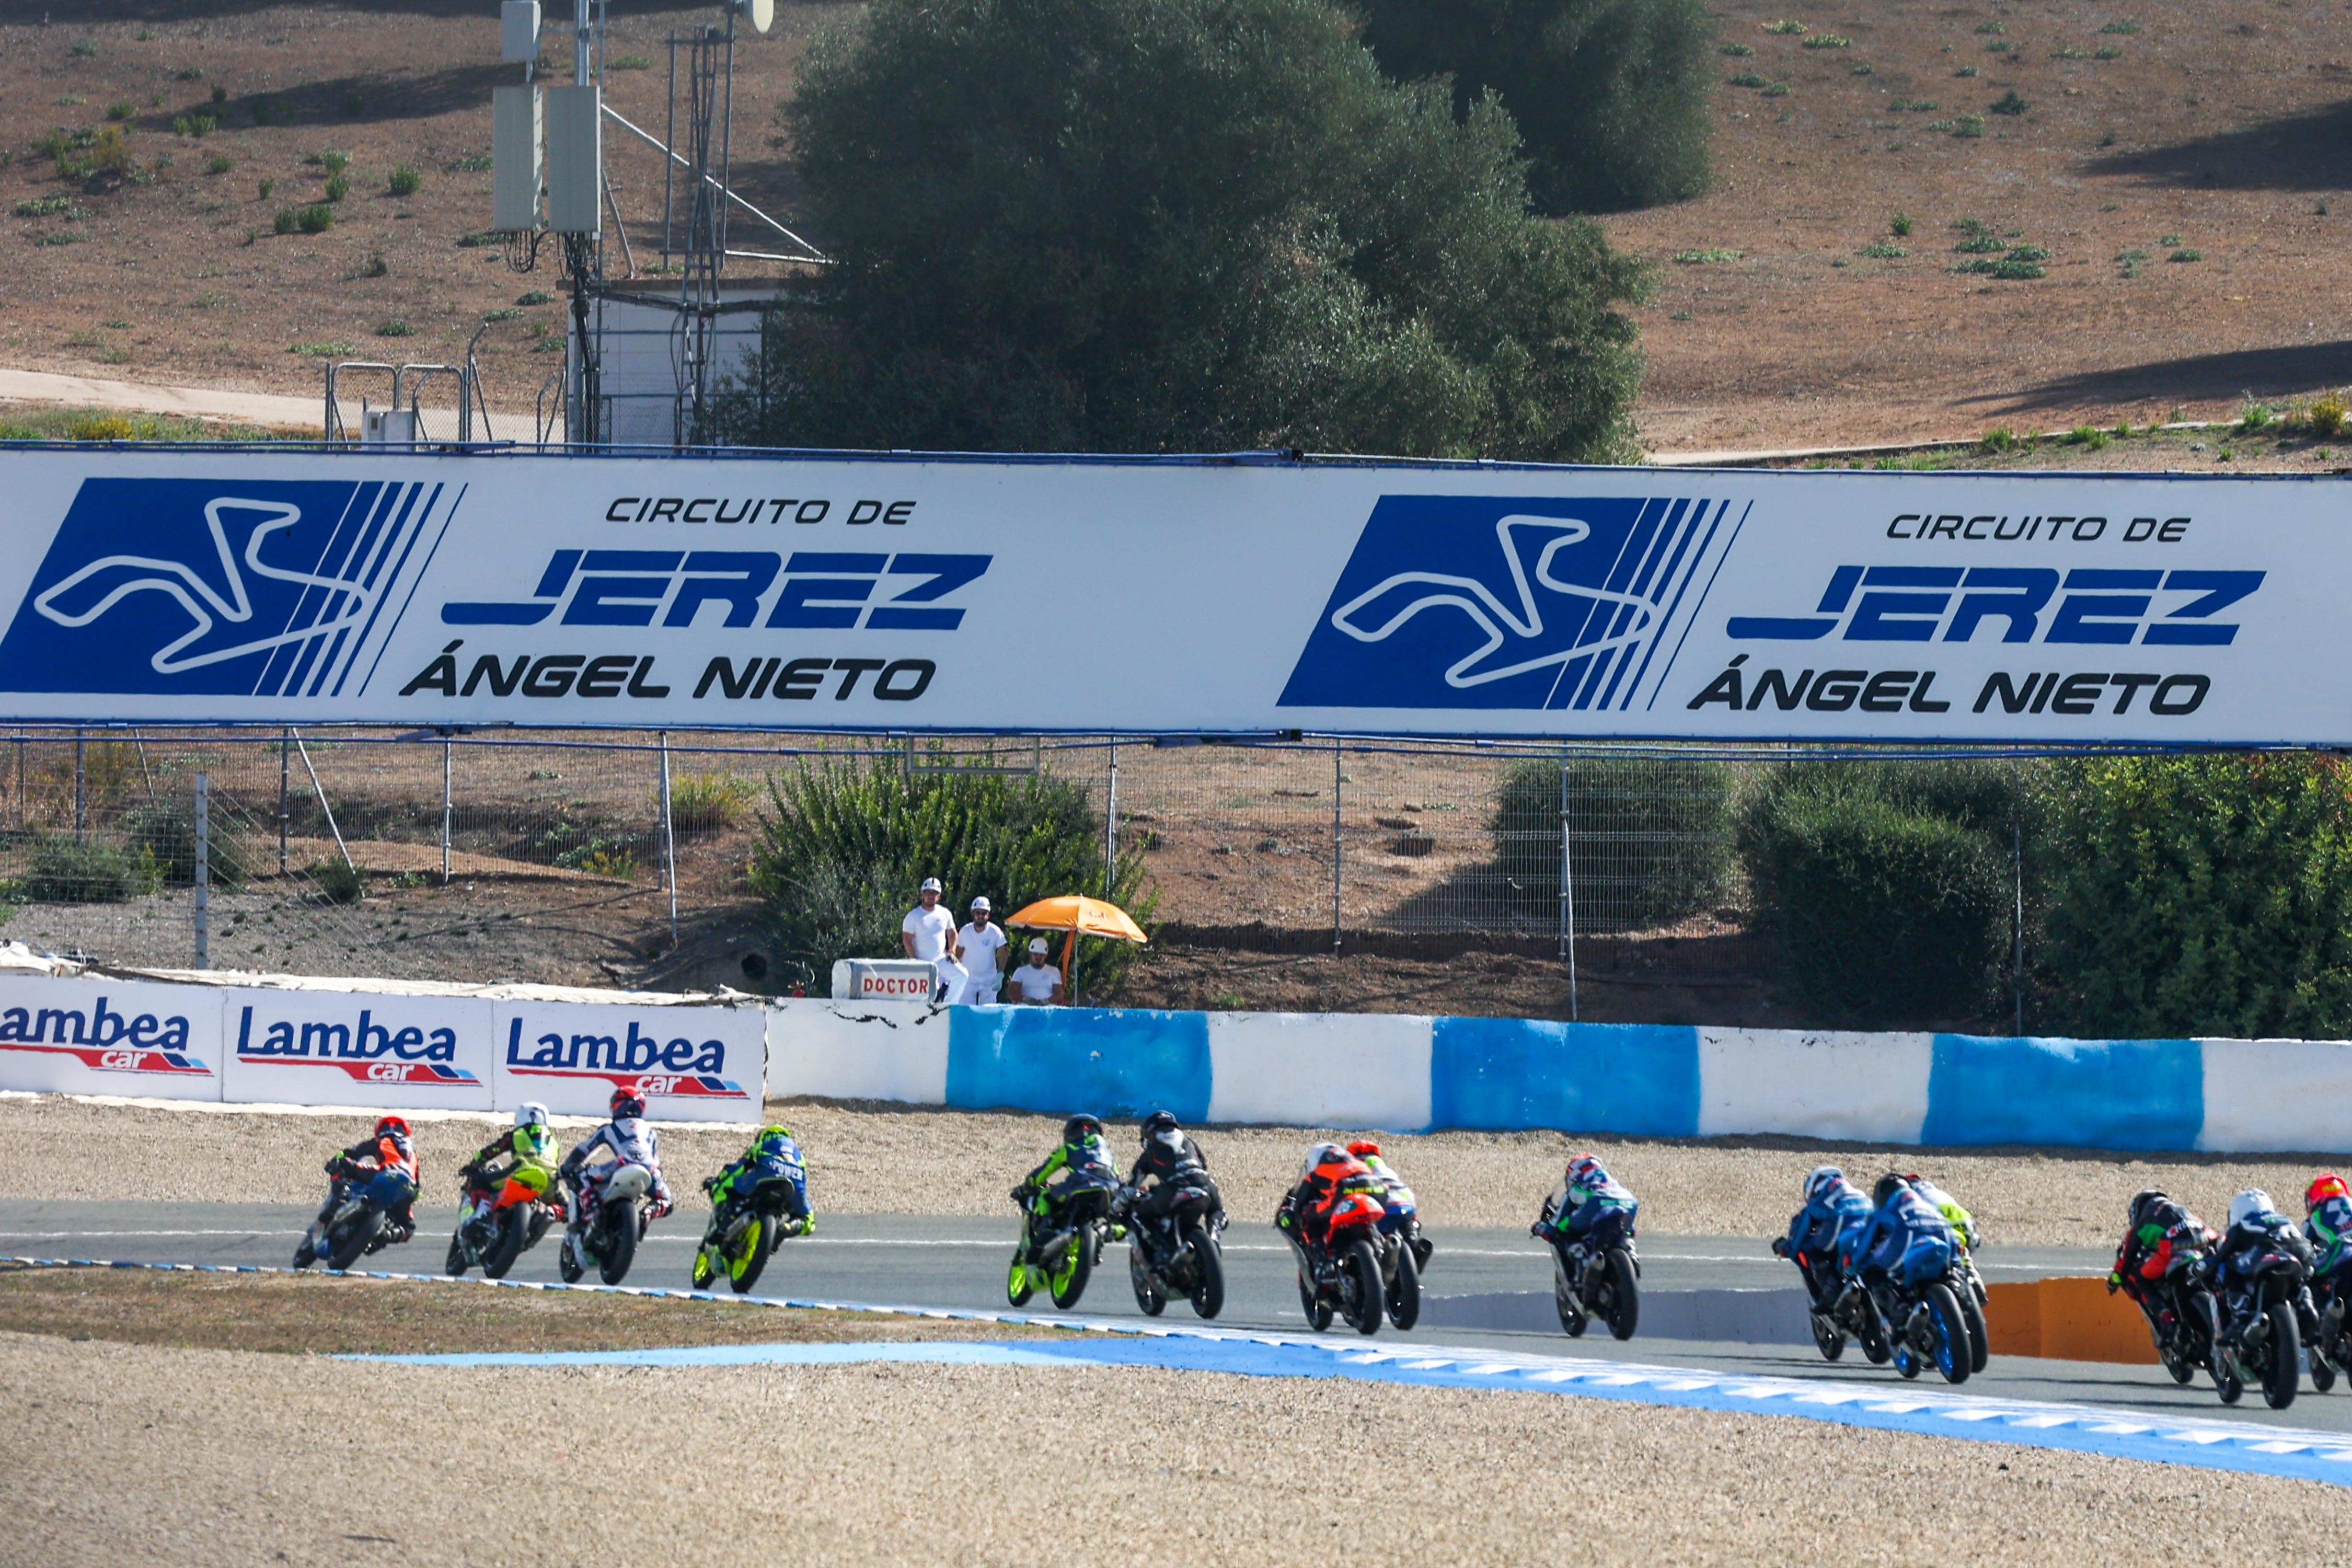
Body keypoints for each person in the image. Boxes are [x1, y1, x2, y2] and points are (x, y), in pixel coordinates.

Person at [297, 1114, 419, 1265]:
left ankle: (333, 1208)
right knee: (409, 1227)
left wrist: (338, 1160)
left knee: (343, 1167)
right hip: (407, 1188)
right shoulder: (413, 1153)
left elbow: (355, 1152)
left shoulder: (383, 1141)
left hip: (385, 1174)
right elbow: (417, 1188)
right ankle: (385, 1235)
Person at [2107, 1189, 2220, 1346]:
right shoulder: (2181, 1210)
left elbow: (2126, 1258)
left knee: (2140, 1278)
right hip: (2202, 1242)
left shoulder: (2142, 1222)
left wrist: (2113, 1281)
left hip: (2172, 1249)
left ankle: (2166, 1318)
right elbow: (2210, 1232)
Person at [559, 1087, 674, 1240]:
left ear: (617, 1106)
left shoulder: (609, 1129)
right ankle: (648, 1213)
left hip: (621, 1165)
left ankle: (591, 1213)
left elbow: (584, 1149)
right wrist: (657, 1174)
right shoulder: (651, 1132)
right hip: (650, 1170)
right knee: (667, 1202)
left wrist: (567, 1167)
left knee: (583, 1177)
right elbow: (656, 1163)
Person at [456, 1101, 561, 1253]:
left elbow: (493, 1150)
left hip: (522, 1169)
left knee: (479, 1179)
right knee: (565, 1208)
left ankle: (484, 1213)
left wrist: (474, 1164)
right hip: (549, 1178)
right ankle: (547, 1218)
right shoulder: (554, 1142)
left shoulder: (517, 1134)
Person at [2211, 1187, 2313, 1343]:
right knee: (2304, 1276)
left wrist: (2207, 1264)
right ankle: (2304, 1298)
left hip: (2270, 1252)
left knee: (2226, 1265)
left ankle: (2240, 1309)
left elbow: (2222, 1255)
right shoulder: (2285, 1219)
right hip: (2302, 1251)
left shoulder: (2243, 1225)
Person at [1846, 1174, 1955, 1319]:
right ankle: (1960, 1289)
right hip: (1945, 1232)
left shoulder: (1882, 1211)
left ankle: (1897, 1308)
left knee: (1867, 1269)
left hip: (1907, 1234)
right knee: (1953, 1270)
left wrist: (1852, 1269)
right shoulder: (1927, 1203)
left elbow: (1863, 1246)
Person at [1012, 1113, 1121, 1258]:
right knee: (1119, 1217)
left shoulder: (1070, 1148)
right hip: (1110, 1188)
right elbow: (1117, 1178)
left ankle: (1044, 1236)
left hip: (1080, 1183)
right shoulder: (1109, 1155)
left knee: (1045, 1197)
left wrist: (1028, 1187)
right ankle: (1109, 1230)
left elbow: (1042, 1173)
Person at [1773, 1165, 1872, 1309]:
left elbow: (1798, 1237)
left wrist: (1787, 1248)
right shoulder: (1858, 1192)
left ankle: (1831, 1291)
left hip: (1840, 1219)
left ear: (1814, 1188)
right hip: (1870, 1221)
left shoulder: (1819, 1200)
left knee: (1810, 1248)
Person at [1125, 1110, 1223, 1249]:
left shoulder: (1151, 1151)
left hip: (1175, 1190)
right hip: (1207, 1186)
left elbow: (1132, 1185)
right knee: (1217, 1213)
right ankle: (1214, 1243)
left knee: (1138, 1214)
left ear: (1150, 1134)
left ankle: (1162, 1248)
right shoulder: (1191, 1144)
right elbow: (1204, 1166)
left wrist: (1119, 1203)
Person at [701, 1124, 814, 1240]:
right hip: (793, 1182)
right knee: (808, 1219)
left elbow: (738, 1168)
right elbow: (803, 1180)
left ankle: (723, 1227)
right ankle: (787, 1228)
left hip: (766, 1173)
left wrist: (717, 1182)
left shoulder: (763, 1145)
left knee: (728, 1190)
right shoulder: (800, 1156)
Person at [1276, 1142, 1380, 1261]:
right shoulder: (1357, 1164)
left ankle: (1320, 1257)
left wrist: (1290, 1212)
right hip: (1377, 1189)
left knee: (1306, 1212)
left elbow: (1300, 1200)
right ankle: (1379, 1245)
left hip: (1344, 1193)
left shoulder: (1320, 1170)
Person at [1347, 1138, 1433, 1270]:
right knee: (1410, 1221)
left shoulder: (1353, 1166)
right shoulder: (1385, 1167)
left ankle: (1373, 1254)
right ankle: (1413, 1238)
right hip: (1402, 1194)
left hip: (1377, 1194)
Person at [1532, 1153, 1640, 1253]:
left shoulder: (1579, 1186)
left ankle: (1580, 1254)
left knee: (1563, 1225)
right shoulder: (1611, 1180)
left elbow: (1555, 1223)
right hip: (1630, 1203)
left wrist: (1541, 1227)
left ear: (1574, 1172)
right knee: (1629, 1231)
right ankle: (1632, 1254)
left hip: (1597, 1202)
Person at [901, 876, 964, 1003]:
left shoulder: (945, 913)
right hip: (923, 962)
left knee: (962, 975)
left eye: (934, 893)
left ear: (939, 896)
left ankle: (949, 1006)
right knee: (928, 995)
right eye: (928, 893)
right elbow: (907, 940)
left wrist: (952, 951)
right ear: (923, 895)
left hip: (941, 959)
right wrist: (915, 960)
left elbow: (953, 934)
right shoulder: (913, 916)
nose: (931, 896)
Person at [2305, 1174, 2352, 1341]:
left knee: (2307, 1272)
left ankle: (2319, 1323)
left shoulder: (2314, 1218)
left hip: (2344, 1253)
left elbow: (2303, 1249)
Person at [956, 896, 1009, 1006]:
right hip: (969, 979)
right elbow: (958, 954)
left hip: (989, 979)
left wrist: (1000, 974)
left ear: (988, 915)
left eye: (984, 913)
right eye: (978, 913)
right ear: (973, 914)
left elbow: (1003, 954)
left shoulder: (995, 931)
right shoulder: (965, 931)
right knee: (966, 1009)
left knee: (988, 1012)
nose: (981, 916)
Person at [1008, 937, 1066, 1006]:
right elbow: (1012, 992)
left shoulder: (1054, 971)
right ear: (1030, 954)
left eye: (1041, 955)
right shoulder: (1020, 972)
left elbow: (1059, 994)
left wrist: (1046, 1001)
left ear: (1046, 956)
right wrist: (1025, 999)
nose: (1038, 957)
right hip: (1025, 1007)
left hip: (1048, 1007)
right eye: (1035, 954)